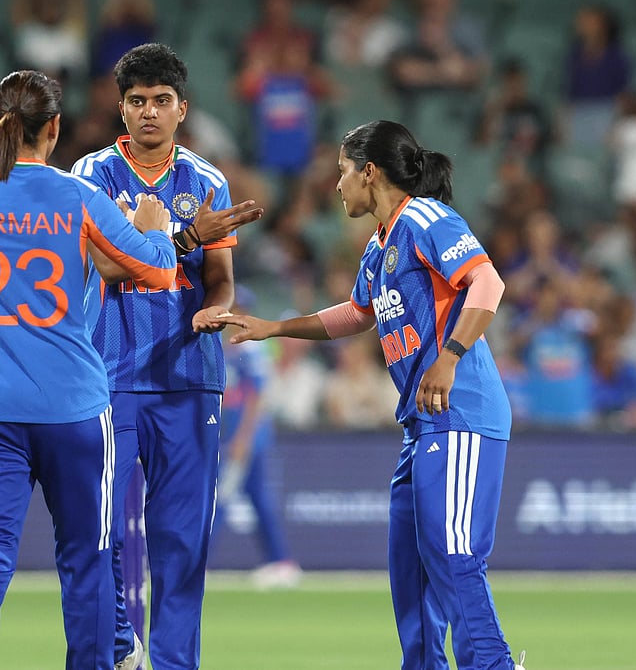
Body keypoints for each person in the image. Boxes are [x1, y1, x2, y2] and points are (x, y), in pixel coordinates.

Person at [219, 120, 526, 670]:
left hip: (460, 411)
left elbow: (487, 283)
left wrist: (449, 357)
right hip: (422, 423)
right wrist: (276, 328)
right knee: (410, 571)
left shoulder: (426, 218)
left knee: (454, 556)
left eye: (342, 172)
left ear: (370, 171)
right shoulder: (378, 248)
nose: (337, 186)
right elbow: (357, 314)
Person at [0, 69, 177, 670]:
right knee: (87, 557)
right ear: (56, 128)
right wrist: (158, 230)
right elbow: (158, 274)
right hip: (71, 409)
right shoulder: (77, 198)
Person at [70, 43, 263, 670]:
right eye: (136, 102)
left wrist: (218, 305)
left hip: (189, 376)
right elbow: (97, 262)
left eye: (160, 101)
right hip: (108, 376)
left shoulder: (206, 181)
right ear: (120, 109)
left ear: (182, 109)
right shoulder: (91, 175)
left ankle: (175, 663)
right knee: (97, 530)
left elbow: (221, 275)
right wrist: (174, 238)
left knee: (181, 540)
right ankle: (119, 648)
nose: (148, 112)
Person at [213, 285, 300, 590]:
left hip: (247, 439)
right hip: (232, 436)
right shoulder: (222, 346)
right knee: (257, 498)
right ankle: (281, 561)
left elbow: (256, 398)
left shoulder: (251, 349)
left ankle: (195, 564)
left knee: (219, 499)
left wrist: (243, 439)